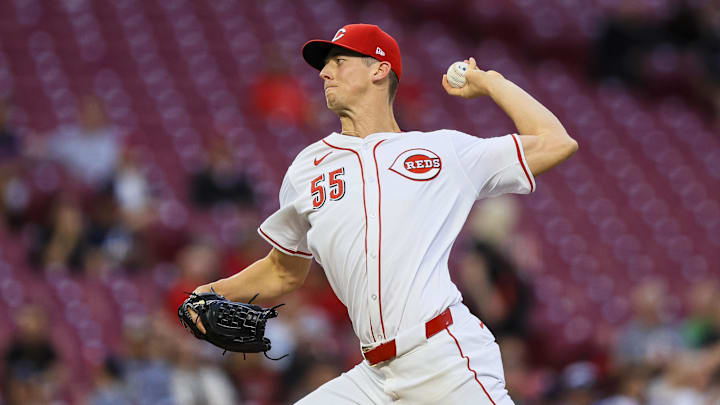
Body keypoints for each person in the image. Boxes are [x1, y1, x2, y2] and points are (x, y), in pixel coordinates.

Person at [188, 23, 577, 404]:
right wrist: (209, 292)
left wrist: (491, 82)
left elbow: (555, 142)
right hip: (374, 375)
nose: (324, 72)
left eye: (339, 61)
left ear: (379, 68)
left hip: (443, 358)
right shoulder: (307, 169)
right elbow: (283, 270)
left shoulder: (444, 152)